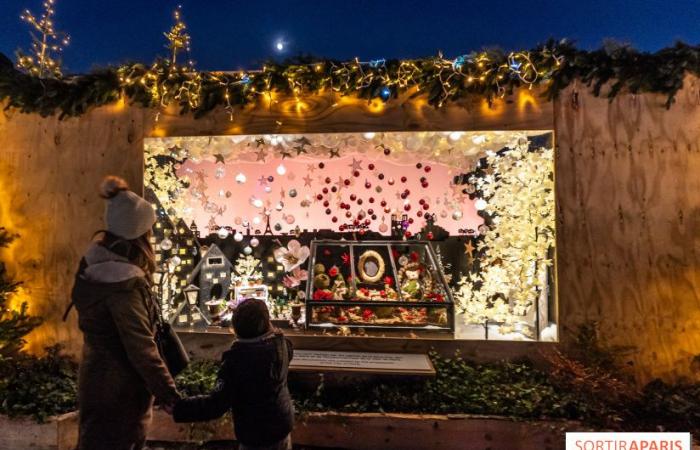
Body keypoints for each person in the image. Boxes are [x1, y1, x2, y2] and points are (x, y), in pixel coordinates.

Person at [70, 176, 180, 450]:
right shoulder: (123, 286)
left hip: (97, 380)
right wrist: (169, 395)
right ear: (137, 235)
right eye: (149, 231)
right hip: (120, 392)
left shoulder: (92, 266)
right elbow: (141, 347)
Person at [173, 298, 294, 450]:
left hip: (256, 434)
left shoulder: (237, 362)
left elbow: (216, 404)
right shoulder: (282, 345)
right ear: (267, 322)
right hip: (281, 425)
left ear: (236, 327)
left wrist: (179, 407)